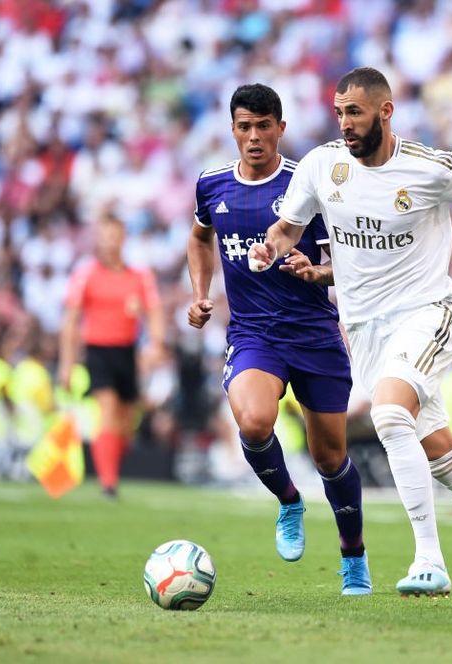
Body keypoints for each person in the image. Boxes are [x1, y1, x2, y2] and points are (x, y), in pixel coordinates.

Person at [250, 67, 452, 605]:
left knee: (390, 414)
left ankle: (428, 559)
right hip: (366, 331)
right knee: (444, 457)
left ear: (385, 111)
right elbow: (288, 229)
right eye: (339, 112)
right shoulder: (324, 167)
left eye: (356, 112)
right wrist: (269, 248)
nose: (345, 123)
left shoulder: (427, 168)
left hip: (425, 315)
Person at [186, 84, 370, 595]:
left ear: (280, 129)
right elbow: (200, 237)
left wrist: (317, 270)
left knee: (331, 456)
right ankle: (289, 500)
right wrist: (200, 293)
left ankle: (353, 555)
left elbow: (350, 263)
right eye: (244, 126)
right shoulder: (212, 185)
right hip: (252, 333)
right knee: (254, 420)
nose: (254, 137)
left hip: (313, 334)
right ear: (233, 130)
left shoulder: (306, 185)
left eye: (264, 126)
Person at [58, 213, 164, 497]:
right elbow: (70, 322)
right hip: (98, 350)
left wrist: (155, 342)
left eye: (112, 236)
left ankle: (110, 471)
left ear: (122, 239)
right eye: (103, 237)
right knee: (106, 410)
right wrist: (66, 364)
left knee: (126, 422)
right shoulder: (85, 274)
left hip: (127, 351)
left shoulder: (139, 276)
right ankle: (108, 484)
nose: (107, 243)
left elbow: (154, 311)